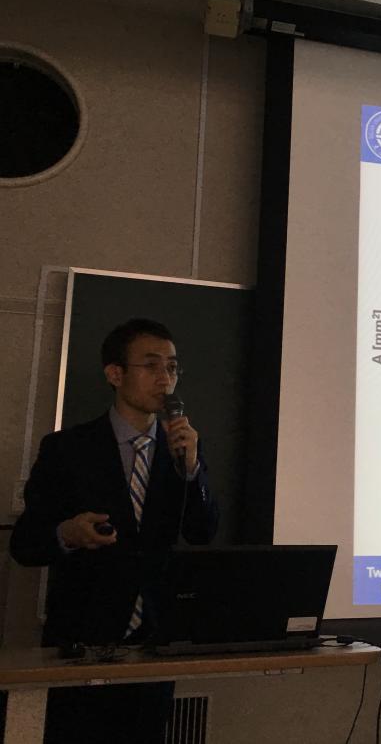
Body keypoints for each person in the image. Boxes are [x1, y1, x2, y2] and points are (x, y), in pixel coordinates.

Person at [11, 318, 219, 744]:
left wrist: (191, 470)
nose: (165, 378)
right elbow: (25, 544)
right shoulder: (67, 449)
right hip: (81, 644)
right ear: (115, 374)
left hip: (155, 645)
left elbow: (203, 533)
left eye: (172, 367)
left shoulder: (183, 449)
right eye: (151, 365)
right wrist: (67, 533)